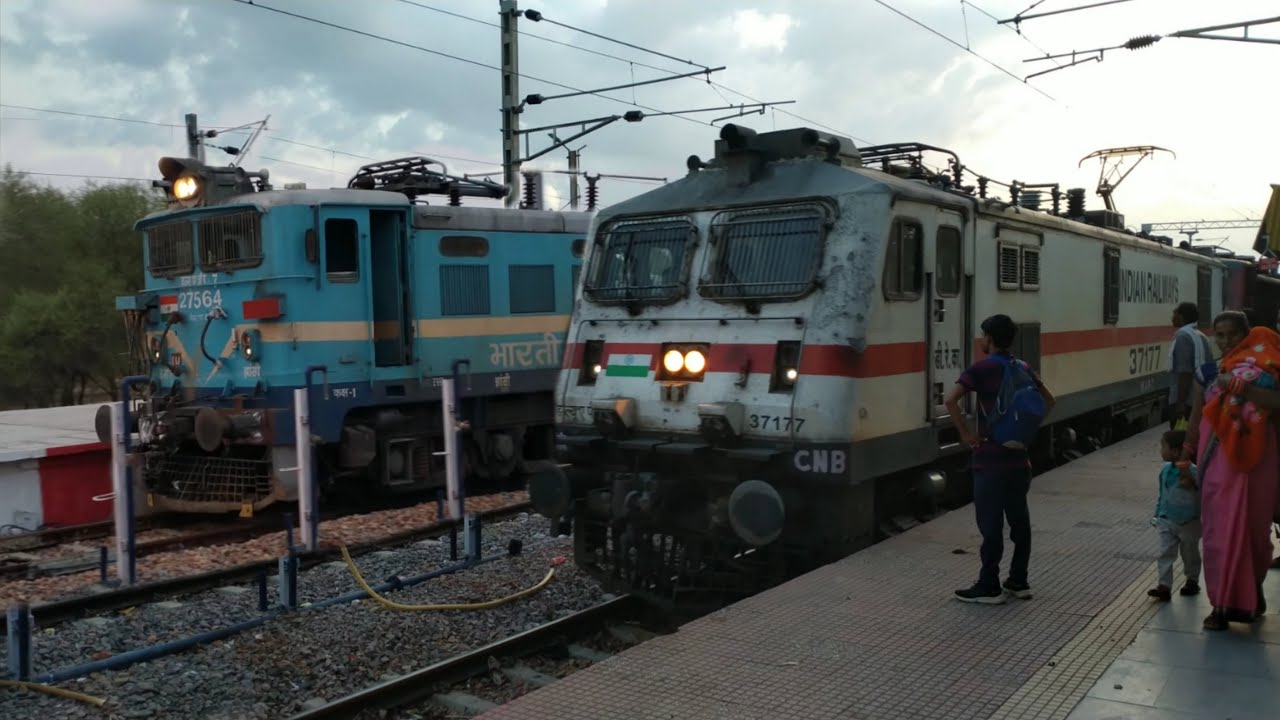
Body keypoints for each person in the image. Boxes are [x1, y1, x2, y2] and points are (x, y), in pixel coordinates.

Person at [1178, 311, 1280, 630]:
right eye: (1219, 335)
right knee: (1218, 534)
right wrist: (1185, 458)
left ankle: (1251, 593)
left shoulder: (1266, 369)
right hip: (1216, 461)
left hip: (1258, 463)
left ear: (1246, 335)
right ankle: (1220, 605)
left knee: (1255, 534)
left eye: (1232, 334)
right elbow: (1196, 418)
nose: (1225, 341)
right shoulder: (1206, 372)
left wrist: (1239, 385)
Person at [945, 314, 1056, 604]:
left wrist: (967, 435)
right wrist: (1024, 430)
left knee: (991, 525)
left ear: (989, 339)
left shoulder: (982, 369)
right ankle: (1019, 581)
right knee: (1020, 521)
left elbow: (950, 400)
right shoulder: (1023, 367)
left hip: (990, 460)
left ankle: (989, 585)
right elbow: (1050, 401)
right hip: (1020, 461)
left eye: (984, 336)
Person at [1148, 429, 1202, 601]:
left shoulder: (1193, 472)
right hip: (1166, 520)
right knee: (1164, 552)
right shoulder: (1164, 471)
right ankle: (1164, 586)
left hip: (1190, 522)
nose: (1161, 450)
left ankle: (1192, 580)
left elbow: (1202, 493)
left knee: (1190, 553)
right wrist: (1158, 514)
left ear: (1177, 450)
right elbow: (1161, 494)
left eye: (1163, 446)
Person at [1168, 302, 1213, 430]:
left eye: (1174, 313)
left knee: (1180, 437)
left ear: (1181, 317)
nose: (1172, 317)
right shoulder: (1202, 336)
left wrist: (1180, 402)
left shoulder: (1182, 336)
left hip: (1186, 401)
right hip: (1200, 397)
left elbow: (1185, 372)